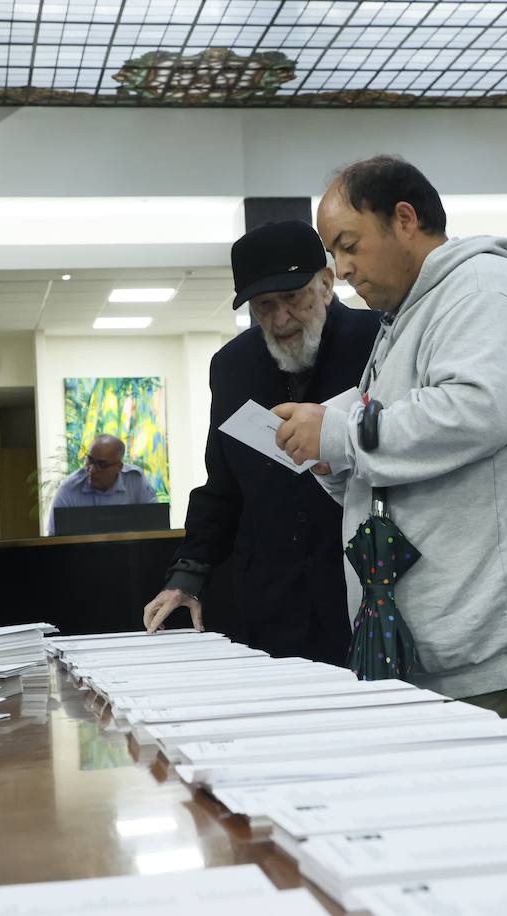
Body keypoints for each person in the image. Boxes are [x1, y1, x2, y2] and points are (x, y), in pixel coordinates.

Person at [273, 156, 507, 746]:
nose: (344, 268)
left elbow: (478, 409)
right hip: (464, 648)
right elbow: (394, 441)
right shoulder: (409, 315)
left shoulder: (486, 291)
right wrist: (330, 455)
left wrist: (338, 433)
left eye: (349, 245)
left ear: (405, 219)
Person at [142, 220, 382, 663]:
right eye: (263, 305)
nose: (280, 319)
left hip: (364, 595)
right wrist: (186, 575)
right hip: (270, 607)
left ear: (326, 284)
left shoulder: (377, 342)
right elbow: (222, 489)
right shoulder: (234, 367)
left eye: (292, 298)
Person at [46, 434, 157, 533]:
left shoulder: (135, 481)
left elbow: (156, 525)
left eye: (102, 464)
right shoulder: (69, 488)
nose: (92, 470)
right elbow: (54, 538)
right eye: (90, 460)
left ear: (119, 467)